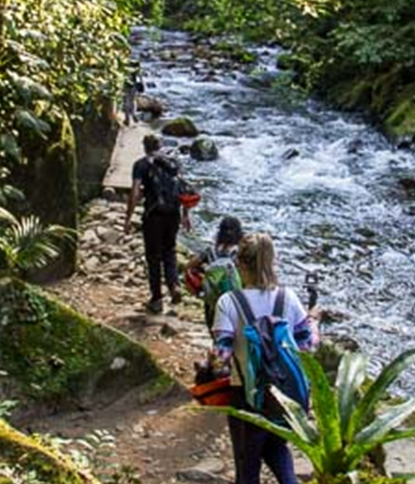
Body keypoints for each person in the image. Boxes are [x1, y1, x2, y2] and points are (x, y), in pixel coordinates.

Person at [210, 233, 319, 484]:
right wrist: (314, 322)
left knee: (247, 467)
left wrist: (211, 366)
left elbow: (221, 358)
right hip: (284, 396)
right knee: (277, 448)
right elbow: (307, 346)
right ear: (272, 262)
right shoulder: (288, 298)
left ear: (240, 265)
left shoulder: (228, 302)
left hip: (245, 396)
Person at [124, 134, 192, 314]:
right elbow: (183, 190)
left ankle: (157, 299)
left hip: (153, 216)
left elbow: (134, 193)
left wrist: (128, 218)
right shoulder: (173, 163)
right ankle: (174, 286)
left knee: (153, 256)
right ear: (159, 146)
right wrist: (185, 215)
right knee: (169, 250)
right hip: (173, 214)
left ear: (144, 147)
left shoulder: (141, 165)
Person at [186, 216, 244, 329]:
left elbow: (190, 266)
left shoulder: (211, 251)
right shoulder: (240, 254)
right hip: (234, 300)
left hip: (212, 300)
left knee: (214, 328)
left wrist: (205, 269)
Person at [121, 61, 143, 126]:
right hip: (134, 86)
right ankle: (134, 114)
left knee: (126, 101)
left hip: (125, 86)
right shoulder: (136, 69)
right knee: (133, 101)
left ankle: (127, 118)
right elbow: (140, 78)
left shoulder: (124, 66)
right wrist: (142, 85)